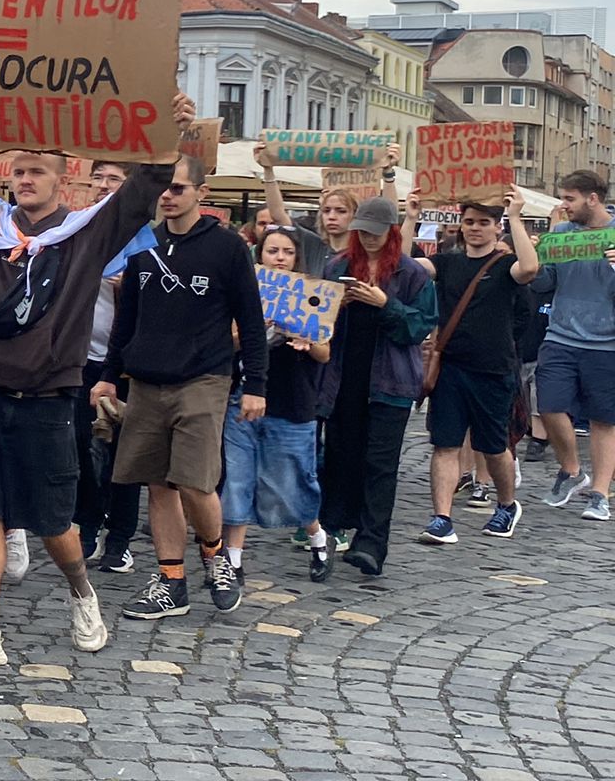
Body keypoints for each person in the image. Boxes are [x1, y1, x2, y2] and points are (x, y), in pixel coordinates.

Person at [0, 90, 197, 669]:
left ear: (65, 179)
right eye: (18, 170)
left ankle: (83, 594)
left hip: (50, 398)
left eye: (38, 171)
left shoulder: (88, 232)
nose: (24, 179)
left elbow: (144, 188)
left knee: (54, 520)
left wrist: (169, 128)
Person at [99, 155, 267, 621]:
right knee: (158, 483)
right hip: (148, 380)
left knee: (194, 480)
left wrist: (256, 384)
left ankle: (215, 555)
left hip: (204, 377)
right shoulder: (142, 244)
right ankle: (172, 580)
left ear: (201, 192)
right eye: (163, 190)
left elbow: (251, 322)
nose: (168, 197)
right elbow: (126, 317)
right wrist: (109, 374)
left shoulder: (228, 247)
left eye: (177, 188)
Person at [316, 195, 438, 576]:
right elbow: (316, 315)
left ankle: (371, 543)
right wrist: (339, 304)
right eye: (362, 231)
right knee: (338, 456)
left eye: (375, 232)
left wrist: (384, 302)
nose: (368, 238)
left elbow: (420, 327)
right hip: (343, 379)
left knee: (380, 465)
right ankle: (331, 529)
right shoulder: (336, 266)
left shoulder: (411, 273)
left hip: (390, 384)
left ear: (391, 233)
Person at [409, 191, 538, 543]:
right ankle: (441, 518)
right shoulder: (449, 263)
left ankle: (507, 504)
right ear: (460, 226)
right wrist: (410, 218)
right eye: (469, 222)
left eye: (483, 223)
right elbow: (406, 264)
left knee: (493, 447)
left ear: (497, 228)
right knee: (445, 445)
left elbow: (529, 269)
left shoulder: (504, 265)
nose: (475, 229)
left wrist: (516, 217)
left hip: (493, 370)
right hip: (450, 367)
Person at [221, 228, 336, 582]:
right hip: (242, 399)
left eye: (287, 251)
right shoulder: (243, 294)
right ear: (260, 256)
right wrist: (252, 332)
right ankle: (233, 560)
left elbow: (325, 352)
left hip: (293, 402)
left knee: (292, 480)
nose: (280, 257)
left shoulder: (313, 295)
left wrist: (307, 340)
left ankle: (317, 538)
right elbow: (226, 344)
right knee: (237, 480)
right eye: (273, 250)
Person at [531, 169, 615, 521]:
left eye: (569, 199)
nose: (563, 206)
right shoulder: (562, 233)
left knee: (603, 420)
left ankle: (599, 493)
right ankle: (571, 469)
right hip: (561, 334)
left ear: (592, 198)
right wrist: (538, 259)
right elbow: (543, 284)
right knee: (548, 404)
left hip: (607, 341)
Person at [80, 162, 144, 575]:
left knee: (125, 457)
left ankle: (119, 538)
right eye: (97, 178)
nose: (103, 186)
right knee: (82, 450)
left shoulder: (144, 239)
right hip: (81, 360)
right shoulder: (79, 229)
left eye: (113, 180)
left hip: (126, 365)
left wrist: (131, 289)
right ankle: (86, 527)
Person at [255, 141, 401, 277]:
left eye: (341, 211)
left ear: (355, 215)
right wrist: (268, 170)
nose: (332, 216)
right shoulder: (312, 245)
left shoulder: (366, 250)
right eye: (326, 210)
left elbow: (388, 215)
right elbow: (278, 214)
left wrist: (388, 175)